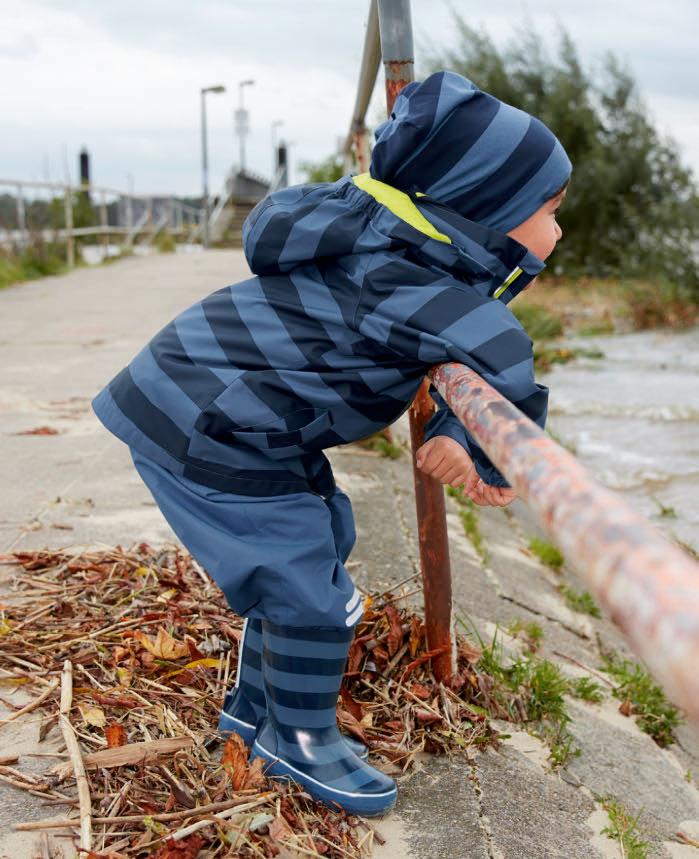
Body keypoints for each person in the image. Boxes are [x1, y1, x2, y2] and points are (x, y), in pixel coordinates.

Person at [91, 69, 571, 817]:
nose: (557, 232)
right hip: (211, 424)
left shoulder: (385, 243)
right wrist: (472, 448)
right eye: (548, 210)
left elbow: (471, 358)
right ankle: (298, 738)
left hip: (230, 412)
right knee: (310, 594)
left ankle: (256, 708)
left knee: (324, 536)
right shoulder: (421, 286)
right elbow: (504, 362)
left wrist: (449, 423)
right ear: (487, 214)